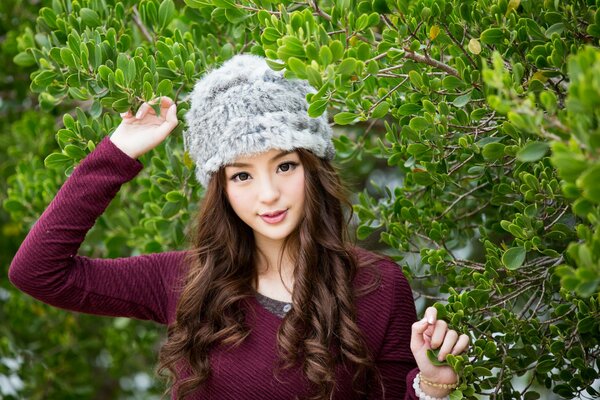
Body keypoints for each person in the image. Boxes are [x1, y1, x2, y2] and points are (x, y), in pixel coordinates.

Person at [8, 54, 469, 399]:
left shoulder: (377, 286)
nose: (267, 193)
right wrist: (118, 153)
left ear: (314, 168)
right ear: (222, 189)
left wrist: (433, 383)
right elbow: (38, 271)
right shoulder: (184, 281)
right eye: (242, 175)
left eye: (285, 166)